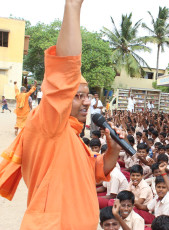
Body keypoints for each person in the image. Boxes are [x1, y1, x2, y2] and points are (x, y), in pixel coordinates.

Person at [0, 0, 125, 228]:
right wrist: (73, 6)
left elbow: (95, 171)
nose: (87, 102)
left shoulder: (74, 138)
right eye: (77, 96)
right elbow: (64, 70)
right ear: (61, 97)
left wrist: (113, 152)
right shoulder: (50, 126)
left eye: (87, 95)